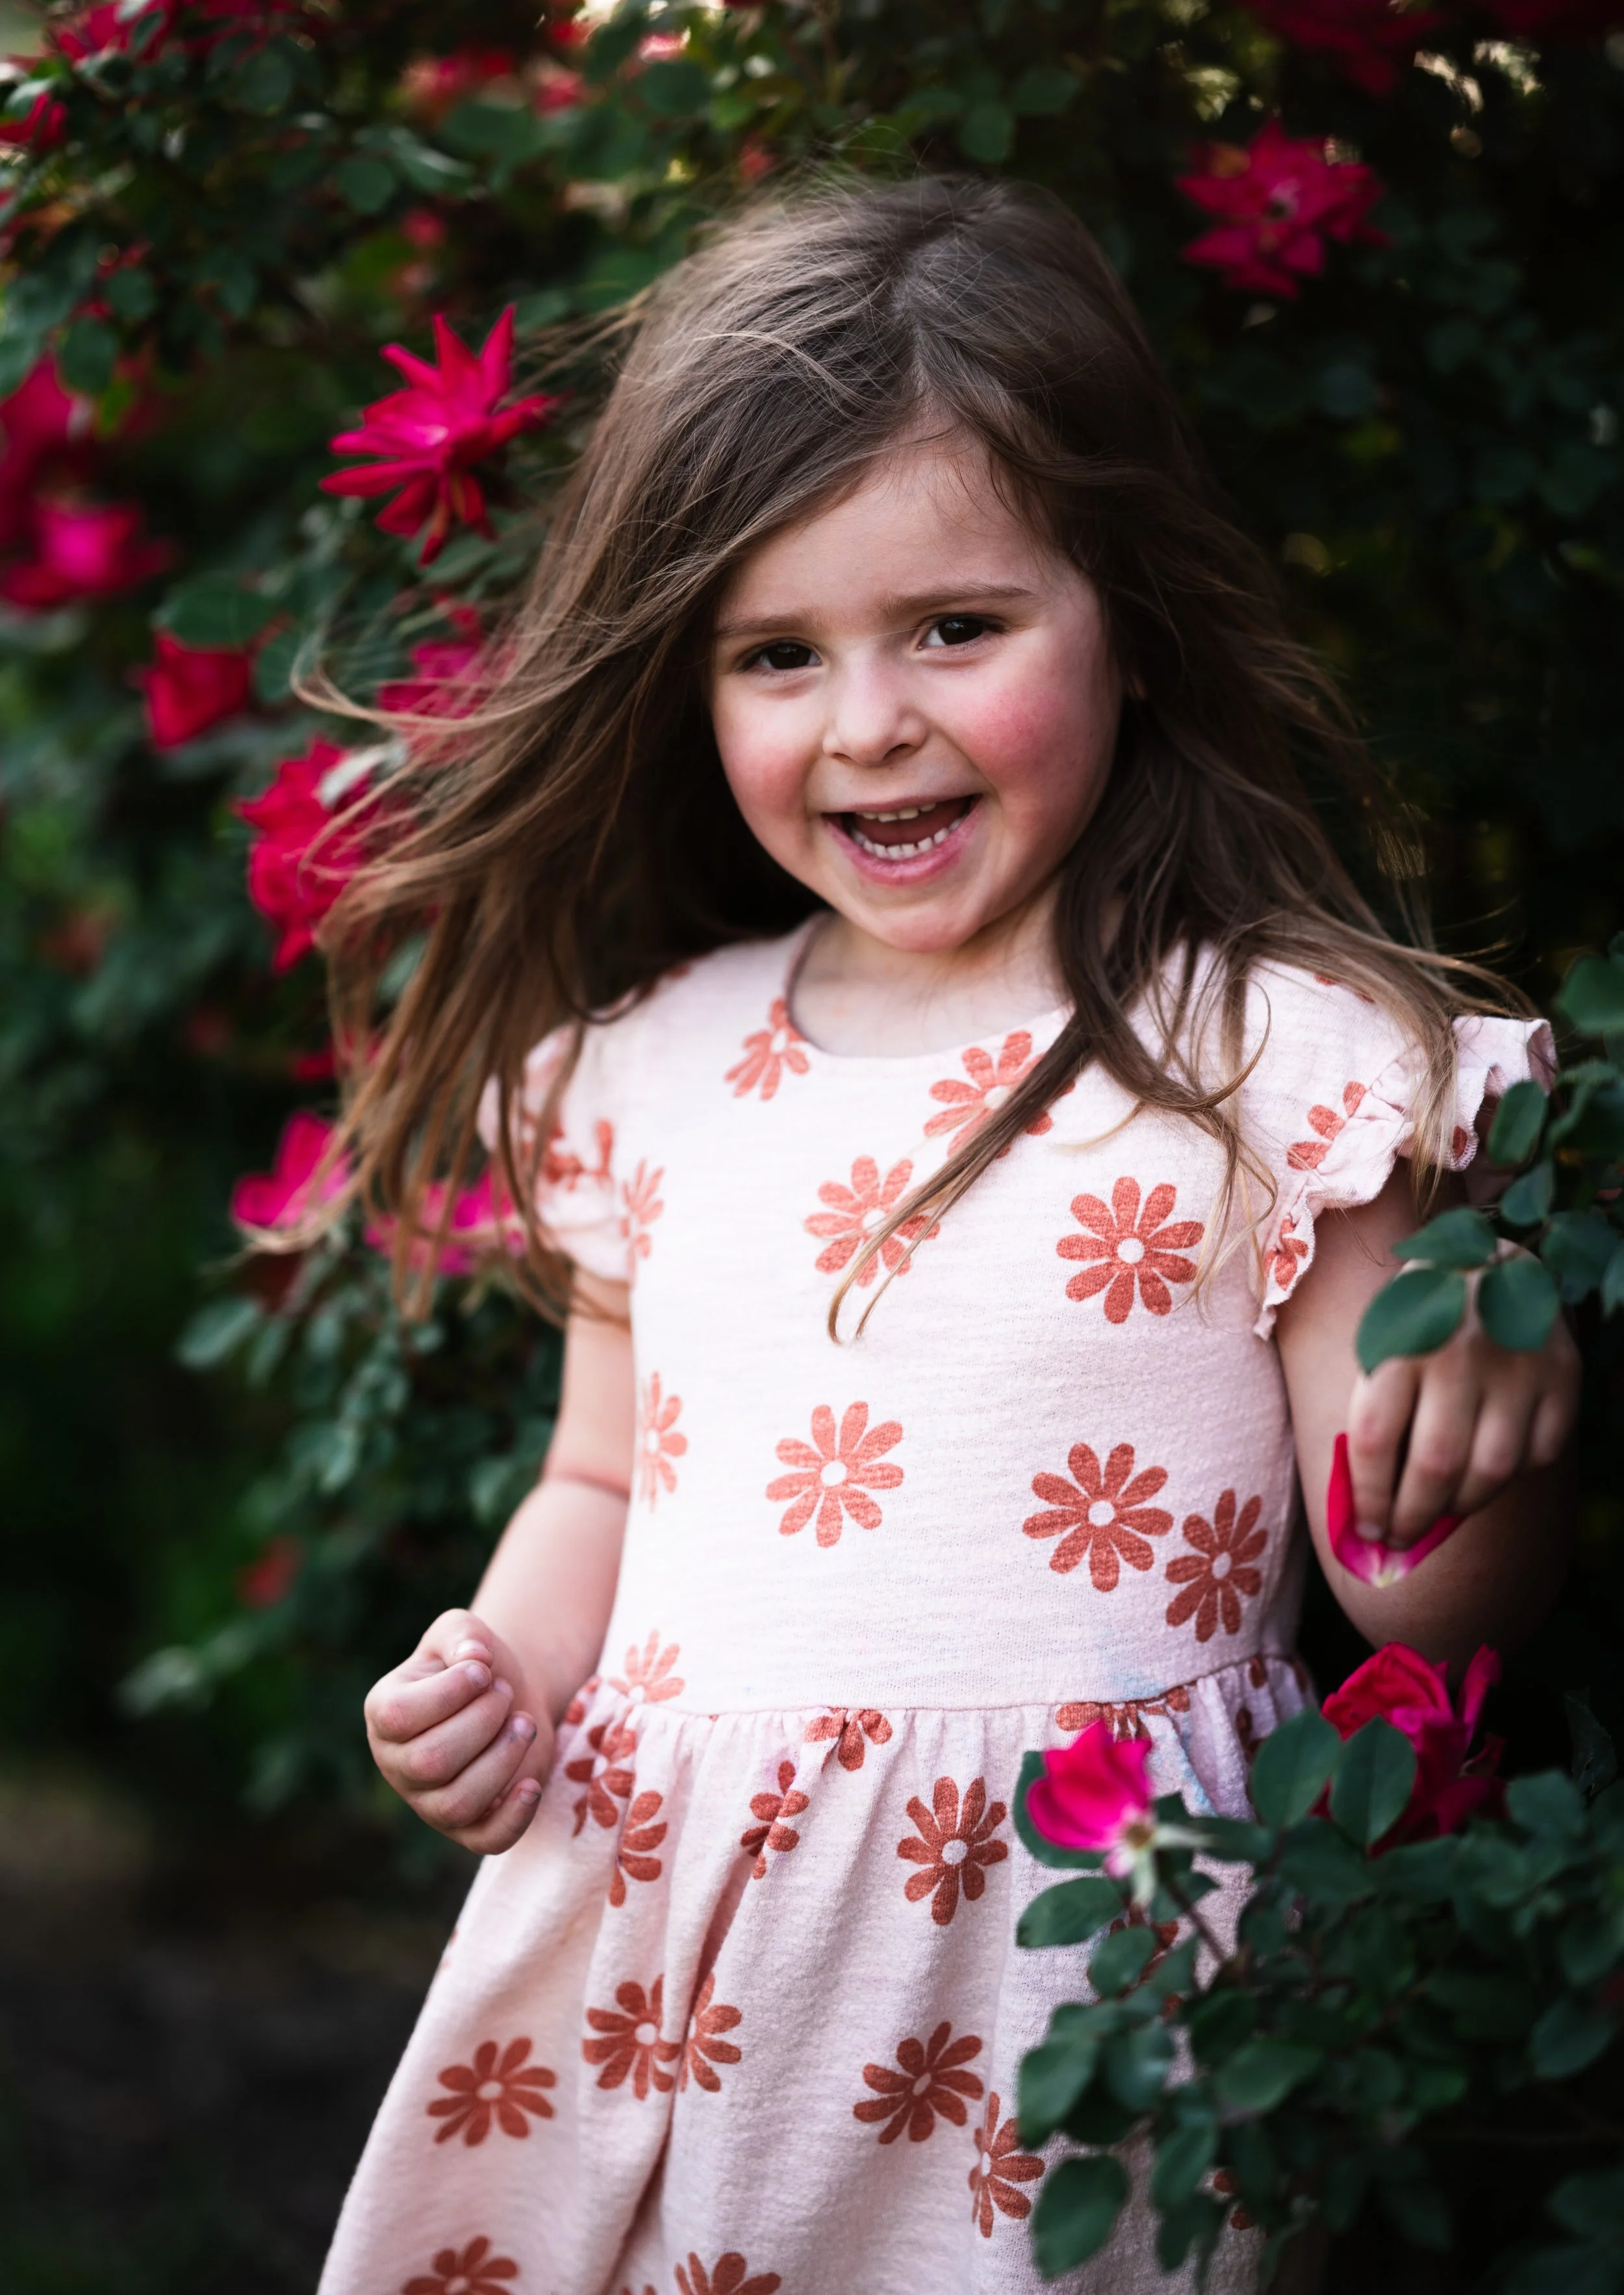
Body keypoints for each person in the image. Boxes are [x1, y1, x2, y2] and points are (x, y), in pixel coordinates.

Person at [315, 179, 1579, 2295]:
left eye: (953, 629)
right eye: (776, 655)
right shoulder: (652, 1066)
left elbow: (1429, 1607)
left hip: (1069, 1969)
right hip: (670, 1947)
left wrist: (1491, 1361)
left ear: (1131, 612)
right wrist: (504, 1669)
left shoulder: (1272, 1057)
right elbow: (602, 1473)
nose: (865, 720)